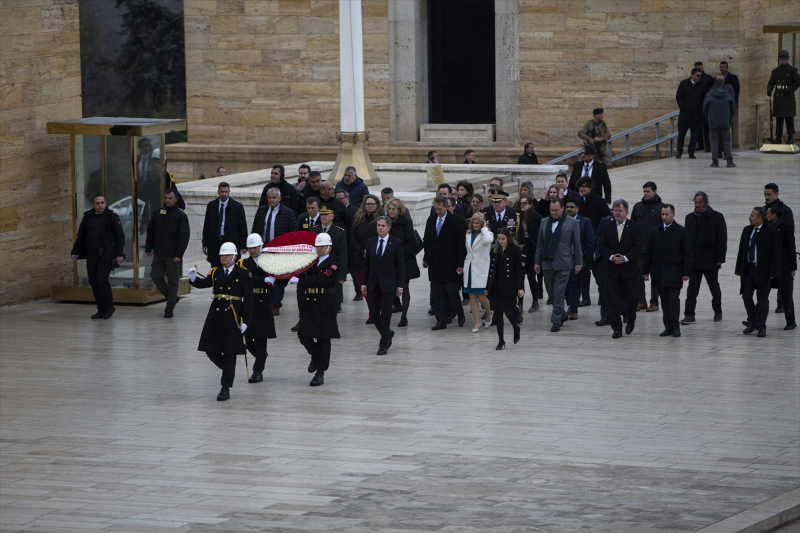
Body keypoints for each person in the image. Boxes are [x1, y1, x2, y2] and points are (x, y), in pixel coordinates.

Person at [187, 242, 252, 401]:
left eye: (227, 255)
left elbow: (249, 299)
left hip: (233, 315)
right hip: (216, 314)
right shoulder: (216, 272)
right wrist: (193, 278)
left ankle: (225, 387)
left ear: (234, 257)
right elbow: (205, 283)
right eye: (222, 255)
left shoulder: (243, 273)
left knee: (230, 352)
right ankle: (229, 370)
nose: (223, 257)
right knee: (210, 348)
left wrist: (246, 320)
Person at [289, 233, 340, 386]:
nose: (319, 248)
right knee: (303, 335)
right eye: (317, 246)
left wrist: (300, 281)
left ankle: (320, 371)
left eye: (322, 246)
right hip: (310, 302)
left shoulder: (333, 264)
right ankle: (315, 355)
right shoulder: (310, 262)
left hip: (324, 303)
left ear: (329, 247)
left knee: (323, 338)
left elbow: (321, 279)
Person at [70, 193, 125, 319]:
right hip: (91, 255)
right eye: (98, 203)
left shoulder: (112, 217)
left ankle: (109, 307)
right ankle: (101, 308)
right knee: (94, 282)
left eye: (102, 202)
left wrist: (119, 254)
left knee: (102, 281)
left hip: (106, 255)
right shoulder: (88, 217)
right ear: (93, 205)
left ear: (105, 203)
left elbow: (120, 237)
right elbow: (81, 236)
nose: (100, 205)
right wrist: (75, 251)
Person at [642, 205, 692, 337]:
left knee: (673, 299)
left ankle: (676, 327)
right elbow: (649, 252)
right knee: (664, 301)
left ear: (673, 215)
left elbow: (687, 253)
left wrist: (686, 272)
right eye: (662, 214)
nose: (664, 217)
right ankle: (668, 327)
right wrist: (645, 271)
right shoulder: (655, 231)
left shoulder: (681, 231)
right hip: (659, 272)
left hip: (674, 272)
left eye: (667, 214)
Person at [535, 199, 583, 332]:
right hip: (547, 263)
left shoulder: (572, 222)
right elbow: (540, 244)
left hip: (564, 263)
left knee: (559, 293)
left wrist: (579, 263)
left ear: (562, 209)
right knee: (551, 292)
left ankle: (556, 321)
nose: (553, 212)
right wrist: (537, 262)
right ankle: (561, 314)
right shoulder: (544, 222)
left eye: (556, 210)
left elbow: (577, 244)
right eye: (551, 210)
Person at [598, 199, 643, 339]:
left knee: (631, 299)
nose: (617, 213)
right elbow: (602, 245)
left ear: (626, 212)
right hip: (612, 270)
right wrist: (612, 257)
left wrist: (625, 258)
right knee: (613, 301)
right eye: (615, 211)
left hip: (629, 270)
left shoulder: (635, 227)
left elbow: (638, 247)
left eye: (620, 211)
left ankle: (630, 320)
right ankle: (616, 328)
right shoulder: (607, 226)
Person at [361, 216, 405, 355]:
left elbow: (401, 266)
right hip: (373, 283)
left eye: (383, 226)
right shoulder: (371, 242)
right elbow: (366, 264)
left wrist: (400, 285)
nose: (380, 228)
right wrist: (363, 282)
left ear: (389, 227)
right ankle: (387, 333)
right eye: (378, 225)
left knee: (386, 314)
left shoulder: (396, 242)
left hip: (389, 284)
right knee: (374, 313)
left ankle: (383, 344)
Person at [682, 191, 727, 325]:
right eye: (695, 202)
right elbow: (686, 240)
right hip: (694, 260)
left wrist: (720, 258)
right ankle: (689, 314)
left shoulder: (717, 217)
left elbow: (722, 239)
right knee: (692, 289)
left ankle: (718, 310)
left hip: (711, 260)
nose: (697, 205)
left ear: (706, 203)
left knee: (714, 287)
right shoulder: (689, 218)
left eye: (700, 203)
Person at [735, 207, 780, 337]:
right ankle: (753, 321)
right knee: (746, 296)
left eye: (752, 216)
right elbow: (742, 251)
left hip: (763, 271)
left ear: (760, 218)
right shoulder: (747, 230)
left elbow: (775, 253)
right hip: (748, 269)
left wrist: (773, 272)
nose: (750, 217)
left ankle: (761, 325)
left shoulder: (771, 232)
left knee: (762, 299)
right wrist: (739, 269)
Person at [145, 189, 190, 318]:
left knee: (173, 281)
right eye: (166, 198)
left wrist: (179, 254)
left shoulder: (181, 216)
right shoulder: (158, 213)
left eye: (170, 198)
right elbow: (151, 231)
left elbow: (184, 236)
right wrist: (149, 247)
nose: (167, 200)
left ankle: (169, 307)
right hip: (159, 253)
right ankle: (172, 297)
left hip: (173, 255)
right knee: (156, 276)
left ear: (176, 199)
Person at [424, 196, 467, 330]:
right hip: (435, 265)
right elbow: (428, 241)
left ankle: (459, 313)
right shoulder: (431, 220)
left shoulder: (457, 221)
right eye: (436, 209)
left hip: (451, 264)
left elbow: (461, 244)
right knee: (437, 294)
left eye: (440, 209)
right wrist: (426, 258)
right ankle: (440, 320)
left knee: (452, 292)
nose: (438, 212)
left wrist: (461, 264)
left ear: (447, 207)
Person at [252, 188, 297, 315]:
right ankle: (265, 302)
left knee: (278, 278)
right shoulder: (262, 211)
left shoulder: (288, 213)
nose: (272, 200)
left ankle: (275, 304)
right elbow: (256, 229)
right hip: (263, 249)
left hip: (279, 251)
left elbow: (292, 233)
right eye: (270, 197)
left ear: (280, 198)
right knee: (264, 276)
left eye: (274, 197)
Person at [239, 234, 277, 383]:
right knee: (247, 338)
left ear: (261, 246)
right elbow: (246, 279)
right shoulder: (244, 263)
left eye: (255, 247)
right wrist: (263, 280)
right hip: (249, 301)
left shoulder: (268, 261)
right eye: (250, 248)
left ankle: (258, 370)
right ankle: (262, 356)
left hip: (264, 302)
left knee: (261, 338)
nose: (252, 250)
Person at [631, 181, 666, 312]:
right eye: (644, 191)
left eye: (648, 191)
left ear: (655, 192)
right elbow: (632, 226)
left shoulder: (661, 207)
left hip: (655, 249)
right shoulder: (638, 207)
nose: (645, 194)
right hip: (640, 249)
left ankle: (654, 302)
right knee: (638, 275)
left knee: (655, 277)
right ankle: (641, 301)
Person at [576, 176, 611, 306]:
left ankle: (603, 296)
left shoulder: (599, 201)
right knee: (584, 273)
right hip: (582, 243)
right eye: (580, 186)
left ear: (591, 187)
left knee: (598, 274)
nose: (582, 188)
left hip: (595, 243)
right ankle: (585, 298)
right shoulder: (578, 201)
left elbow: (607, 218)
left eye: (584, 186)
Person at [487, 228, 524, 349]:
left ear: (508, 238)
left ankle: (515, 327)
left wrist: (520, 287)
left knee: (508, 311)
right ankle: (500, 340)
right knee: (498, 313)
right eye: (499, 239)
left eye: (503, 239)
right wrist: (488, 286)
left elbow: (518, 270)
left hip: (509, 285)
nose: (500, 241)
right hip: (496, 285)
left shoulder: (515, 250)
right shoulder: (495, 250)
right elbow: (491, 271)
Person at [386, 198, 420, 327]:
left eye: (393, 209)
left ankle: (404, 316)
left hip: (404, 260)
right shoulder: (386, 222)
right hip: (389, 260)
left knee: (404, 287)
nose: (391, 211)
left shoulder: (406, 222)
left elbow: (411, 241)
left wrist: (399, 256)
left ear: (399, 210)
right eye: (389, 209)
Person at [764, 182, 795, 315]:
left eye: (769, 194)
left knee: (783, 283)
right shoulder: (764, 210)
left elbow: (789, 236)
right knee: (765, 285)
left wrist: (793, 263)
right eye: (765, 194)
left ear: (777, 194)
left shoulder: (786, 211)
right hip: (768, 255)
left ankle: (782, 304)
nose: (766, 197)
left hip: (782, 255)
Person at [311, 203, 348, 311]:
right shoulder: (314, 231)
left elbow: (342, 254)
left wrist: (342, 274)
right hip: (317, 266)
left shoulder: (339, 232)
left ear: (332, 216)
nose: (323, 216)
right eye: (321, 214)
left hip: (333, 265)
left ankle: (336, 303)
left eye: (326, 214)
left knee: (334, 288)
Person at [202, 182, 247, 268]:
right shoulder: (212, 206)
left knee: (230, 265)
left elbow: (242, 227)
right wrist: (205, 243)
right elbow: (207, 226)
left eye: (226, 192)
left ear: (229, 192)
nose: (224, 194)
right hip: (215, 242)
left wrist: (243, 245)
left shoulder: (237, 207)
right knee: (215, 267)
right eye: (222, 191)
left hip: (230, 241)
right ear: (218, 192)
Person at [766, 204, 797, 330]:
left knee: (786, 293)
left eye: (768, 213)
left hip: (784, 265)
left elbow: (791, 247)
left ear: (774, 215)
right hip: (770, 265)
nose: (765, 215)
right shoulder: (766, 227)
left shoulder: (785, 228)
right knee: (763, 292)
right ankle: (756, 320)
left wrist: (793, 267)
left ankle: (791, 321)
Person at [564, 196, 594, 320]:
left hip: (579, 258)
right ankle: (570, 303)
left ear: (577, 209)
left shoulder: (585, 221)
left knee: (576, 284)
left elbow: (590, 241)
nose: (569, 209)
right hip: (564, 258)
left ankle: (574, 309)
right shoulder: (562, 221)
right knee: (565, 284)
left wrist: (584, 256)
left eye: (572, 207)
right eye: (567, 207)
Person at [463, 213, 494, 331]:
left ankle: (488, 313)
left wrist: (485, 228)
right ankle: (476, 322)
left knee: (481, 296)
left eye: (477, 223)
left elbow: (488, 240)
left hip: (481, 268)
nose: (475, 225)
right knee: (471, 296)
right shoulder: (468, 234)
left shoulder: (487, 234)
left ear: (482, 223)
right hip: (470, 267)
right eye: (473, 223)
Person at [350, 194, 380, 317]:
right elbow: (353, 237)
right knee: (363, 285)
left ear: (377, 205)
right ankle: (372, 310)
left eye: (373, 204)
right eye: (368, 204)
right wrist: (361, 250)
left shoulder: (381, 219)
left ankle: (376, 312)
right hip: (361, 258)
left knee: (375, 287)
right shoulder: (358, 219)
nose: (370, 206)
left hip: (377, 259)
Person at [767, 50, 800, 144]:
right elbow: (771, 82)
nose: (783, 61)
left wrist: (790, 89)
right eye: (781, 59)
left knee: (789, 119)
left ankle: (790, 137)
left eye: (784, 59)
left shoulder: (793, 70)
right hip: (779, 97)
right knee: (779, 118)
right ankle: (778, 137)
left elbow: (798, 82)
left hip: (788, 97)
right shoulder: (775, 71)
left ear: (788, 59)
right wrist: (769, 90)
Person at [703, 77, 736, 168]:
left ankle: (715, 162)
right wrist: (728, 117)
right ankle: (729, 161)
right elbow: (733, 108)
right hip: (725, 122)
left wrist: (710, 116)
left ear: (714, 85)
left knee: (714, 142)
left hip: (713, 123)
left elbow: (704, 109)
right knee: (726, 141)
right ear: (722, 85)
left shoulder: (709, 95)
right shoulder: (728, 95)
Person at [517, 195, 542, 312]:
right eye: (521, 203)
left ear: (530, 205)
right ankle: (520, 303)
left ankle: (535, 301)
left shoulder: (536, 217)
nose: (522, 205)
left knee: (532, 276)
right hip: (520, 248)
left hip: (531, 248)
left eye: (525, 203)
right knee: (520, 276)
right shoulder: (517, 216)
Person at [675, 68, 706, 158]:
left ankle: (691, 152)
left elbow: (704, 97)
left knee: (695, 134)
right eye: (697, 75)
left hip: (696, 114)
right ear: (692, 75)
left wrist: (701, 109)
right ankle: (679, 151)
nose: (699, 77)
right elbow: (679, 96)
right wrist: (684, 107)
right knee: (681, 134)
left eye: (700, 75)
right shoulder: (684, 84)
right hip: (685, 114)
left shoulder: (702, 85)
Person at [336, 189, 360, 301]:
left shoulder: (355, 211)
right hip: (338, 245)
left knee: (354, 270)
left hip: (351, 245)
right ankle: (338, 299)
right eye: (337, 199)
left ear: (348, 198)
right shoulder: (335, 210)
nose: (339, 201)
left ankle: (359, 291)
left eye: (341, 198)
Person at [694, 61, 714, 151]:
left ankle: (708, 145)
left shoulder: (708, 78)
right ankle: (700, 144)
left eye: (701, 68)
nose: (700, 70)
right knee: (697, 127)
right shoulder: (693, 79)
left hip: (705, 106)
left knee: (706, 127)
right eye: (698, 68)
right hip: (697, 107)